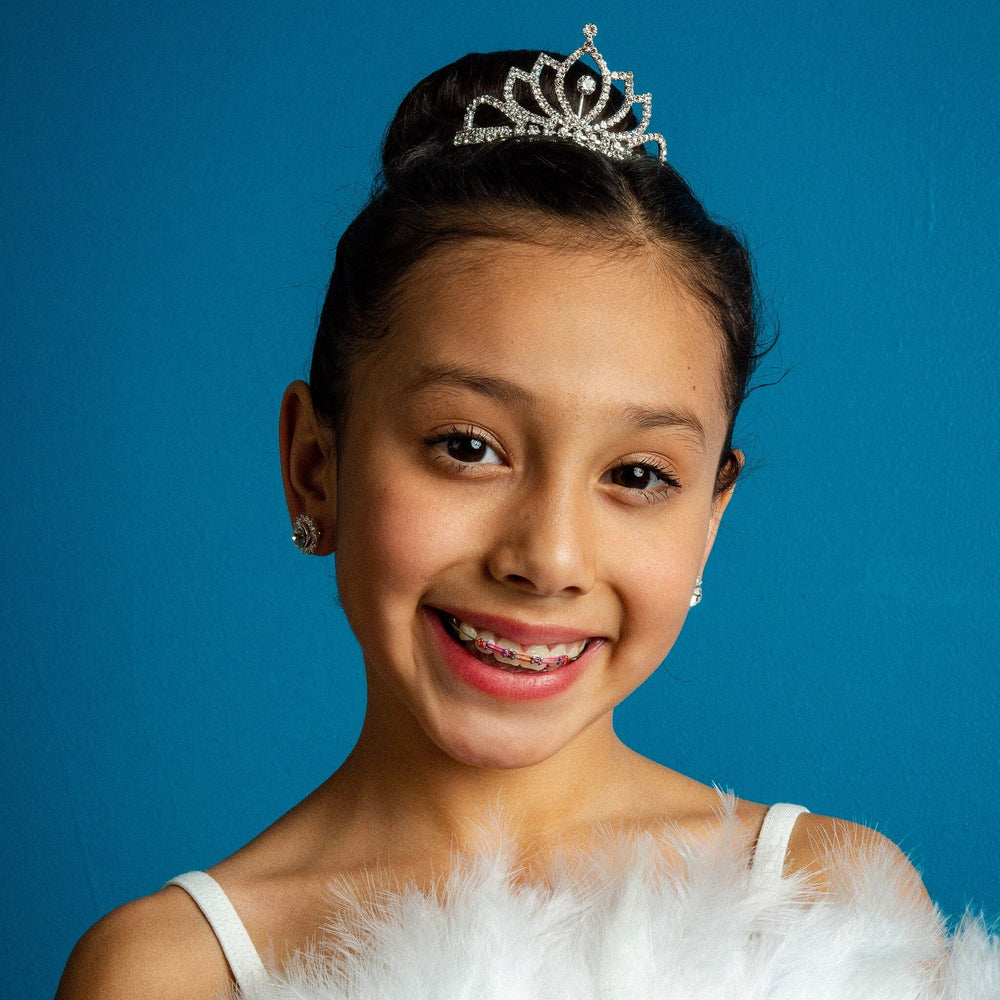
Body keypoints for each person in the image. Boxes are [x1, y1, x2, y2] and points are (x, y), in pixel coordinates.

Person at [56, 25, 996, 1000]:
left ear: (711, 513)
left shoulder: (825, 901)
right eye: (467, 447)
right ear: (313, 466)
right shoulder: (172, 971)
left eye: (636, 474)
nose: (546, 557)